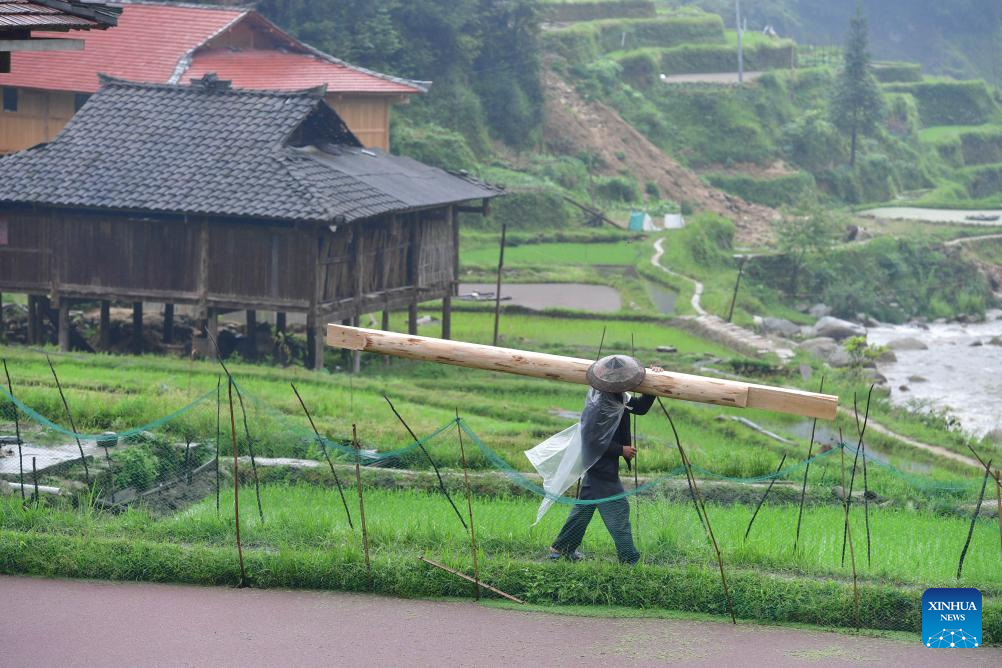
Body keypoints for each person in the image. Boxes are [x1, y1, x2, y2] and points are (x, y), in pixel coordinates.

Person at [548, 356, 661, 565]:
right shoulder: (600, 403)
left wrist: (652, 380)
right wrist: (621, 450)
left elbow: (639, 408)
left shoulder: (614, 395)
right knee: (618, 509)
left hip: (598, 463)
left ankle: (561, 548)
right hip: (600, 465)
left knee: (585, 506)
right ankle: (629, 558)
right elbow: (590, 439)